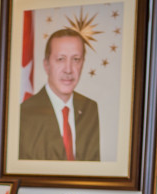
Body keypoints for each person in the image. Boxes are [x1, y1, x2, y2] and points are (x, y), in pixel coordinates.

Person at [19, 28, 100, 161]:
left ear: (82, 63)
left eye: (76, 59)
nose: (68, 70)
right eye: (61, 59)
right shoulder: (24, 114)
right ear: (46, 65)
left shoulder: (89, 108)